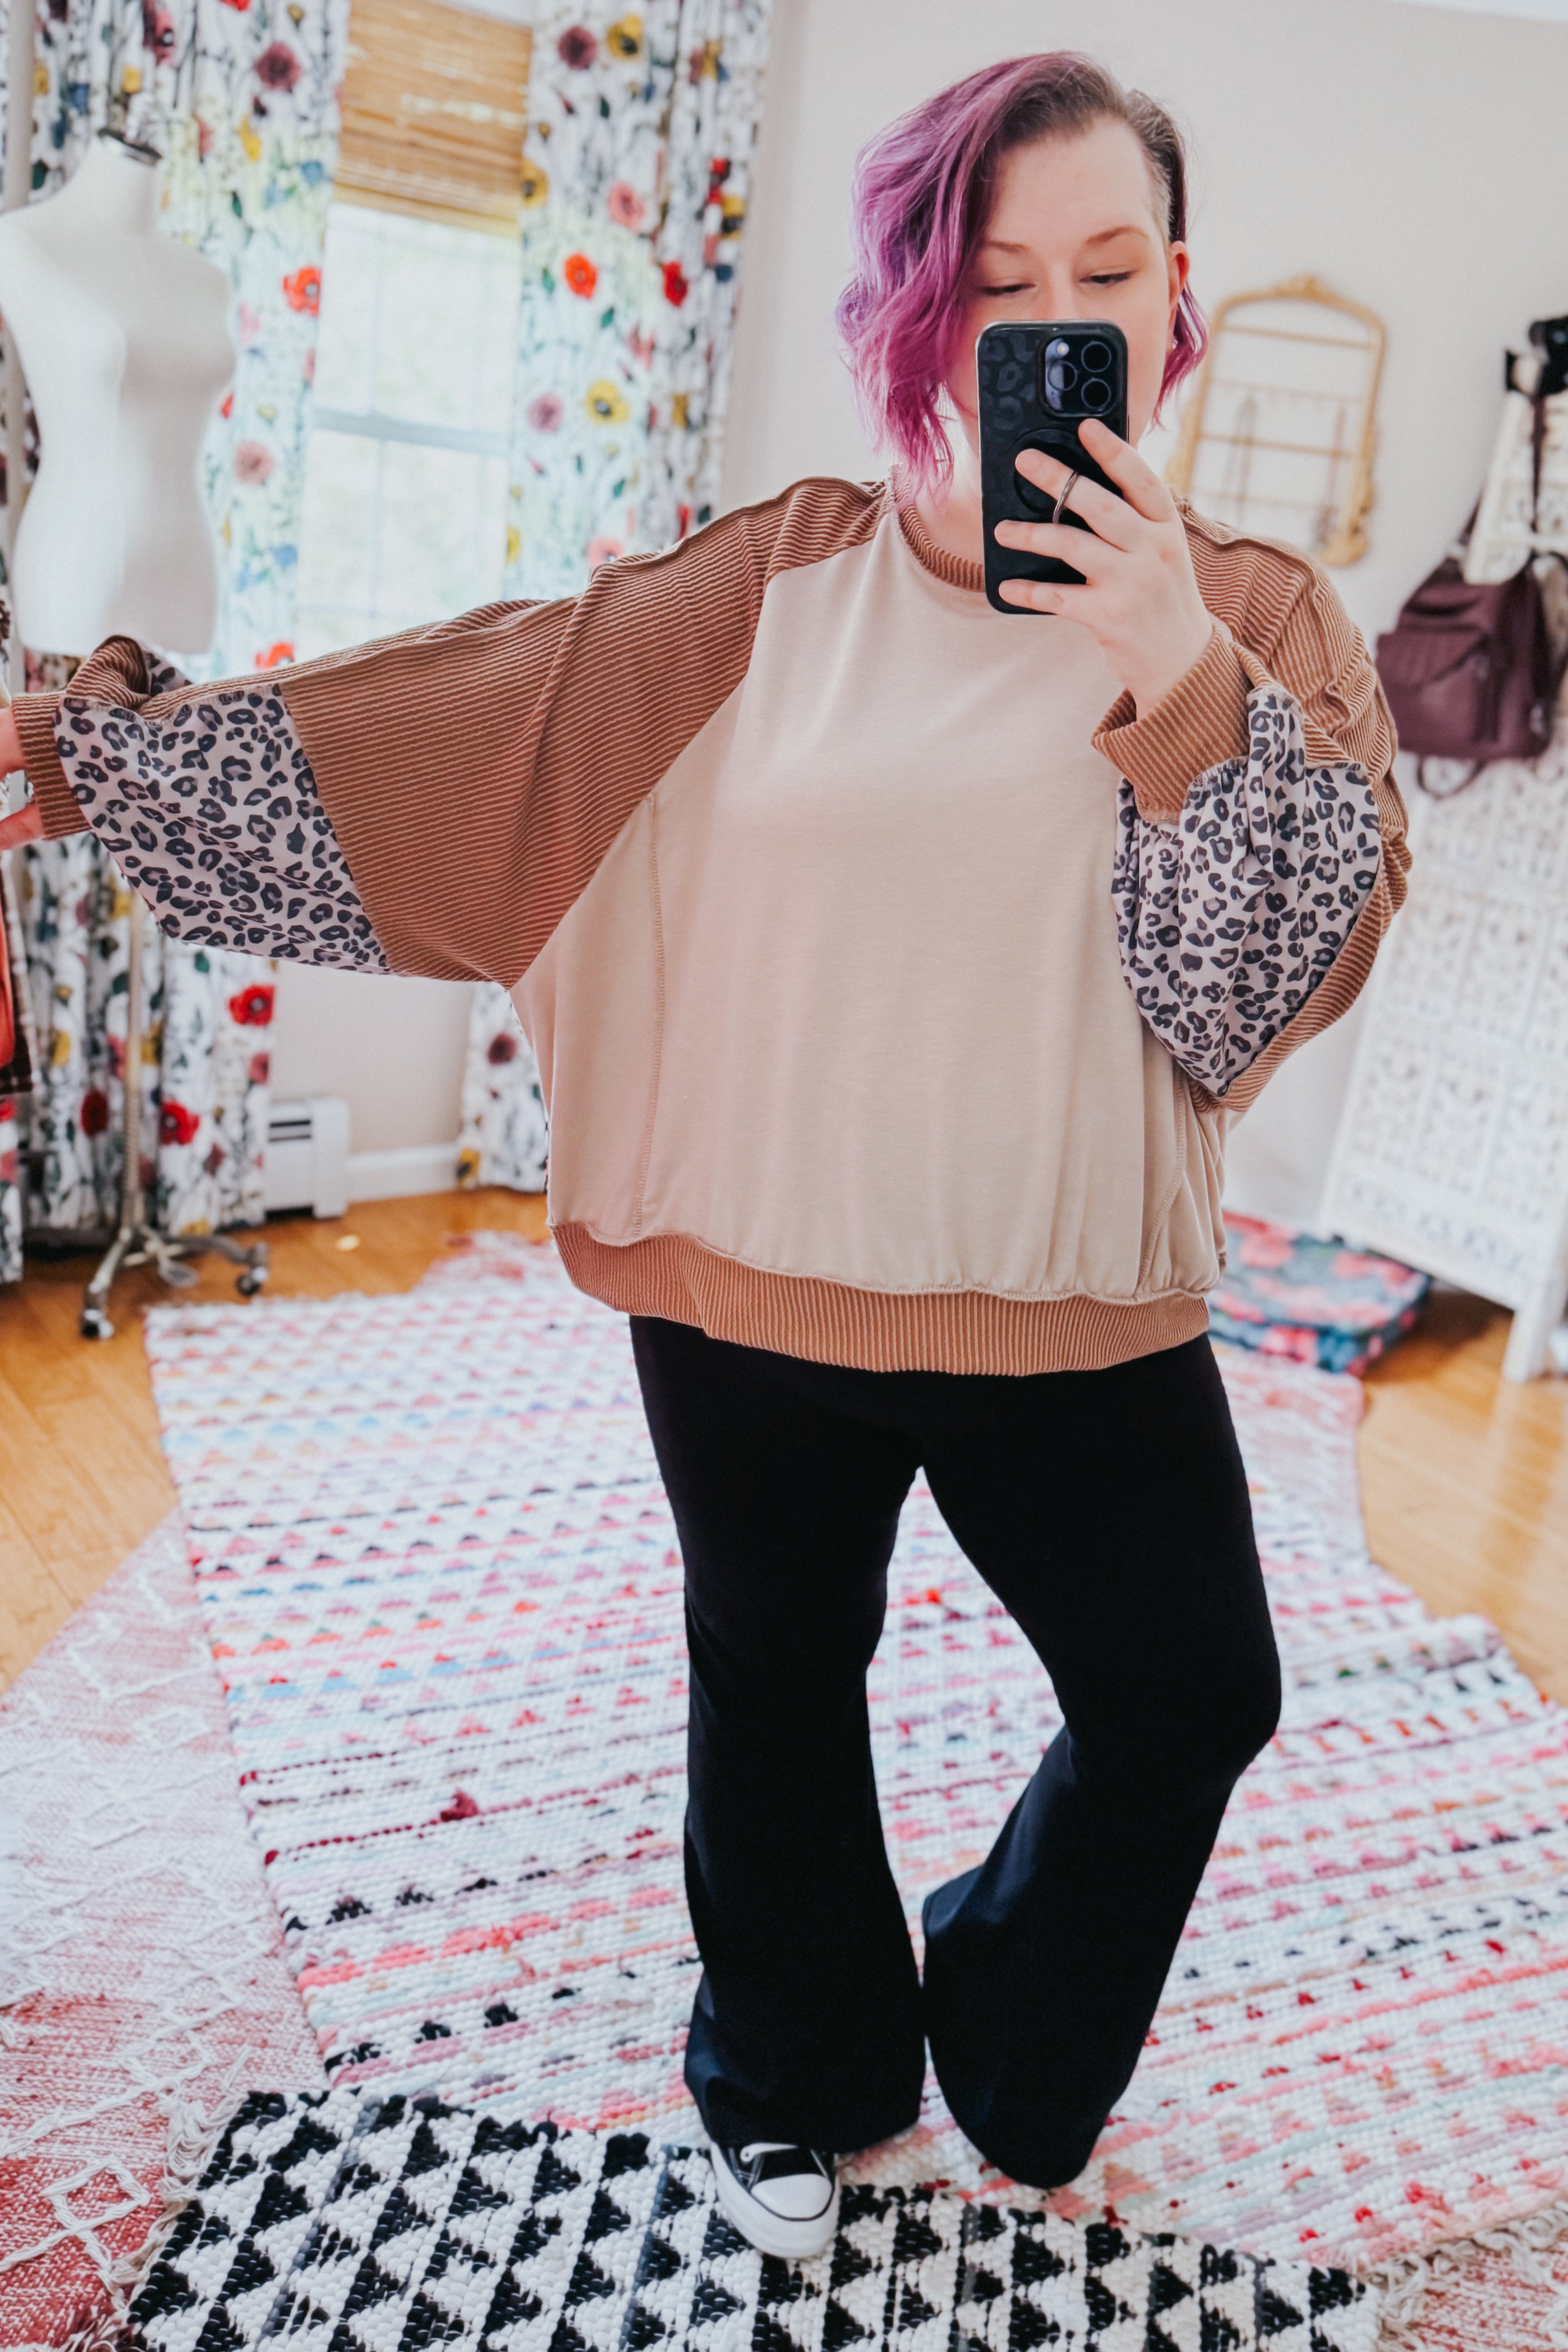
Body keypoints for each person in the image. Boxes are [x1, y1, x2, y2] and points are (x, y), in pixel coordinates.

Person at [0, 53, 1405, 2264]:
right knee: (777, 1671)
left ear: (1172, 306)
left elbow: (1234, 991)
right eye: (997, 277)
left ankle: (1014, 2032)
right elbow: (468, 721)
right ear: (918, 313)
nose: (1055, 317)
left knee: (1188, 1688)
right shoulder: (771, 586)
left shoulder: (1264, 624)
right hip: (749, 1276)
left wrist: (1170, 668)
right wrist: (107, 750)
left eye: (1107, 274)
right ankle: (794, 2067)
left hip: (1072, 1295)